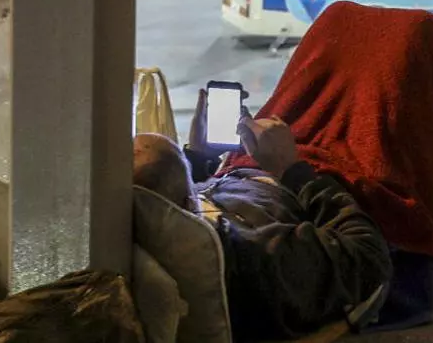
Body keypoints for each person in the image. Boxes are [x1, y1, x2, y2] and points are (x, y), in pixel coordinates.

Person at [132, 89, 392, 342]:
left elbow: (177, 201)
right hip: (300, 176)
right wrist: (290, 168)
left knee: (309, 85)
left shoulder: (158, 218)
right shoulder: (257, 257)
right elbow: (368, 255)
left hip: (241, 170)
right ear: (189, 202)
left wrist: (197, 157)